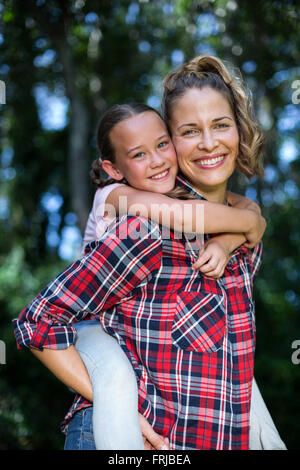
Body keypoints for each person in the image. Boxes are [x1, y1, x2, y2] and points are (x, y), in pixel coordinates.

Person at [12, 55, 283, 449]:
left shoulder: (243, 241)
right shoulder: (146, 226)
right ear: (174, 140)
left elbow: (244, 214)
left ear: (239, 131)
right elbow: (37, 323)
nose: (208, 142)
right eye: (189, 131)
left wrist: (241, 231)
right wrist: (117, 406)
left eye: (221, 125)